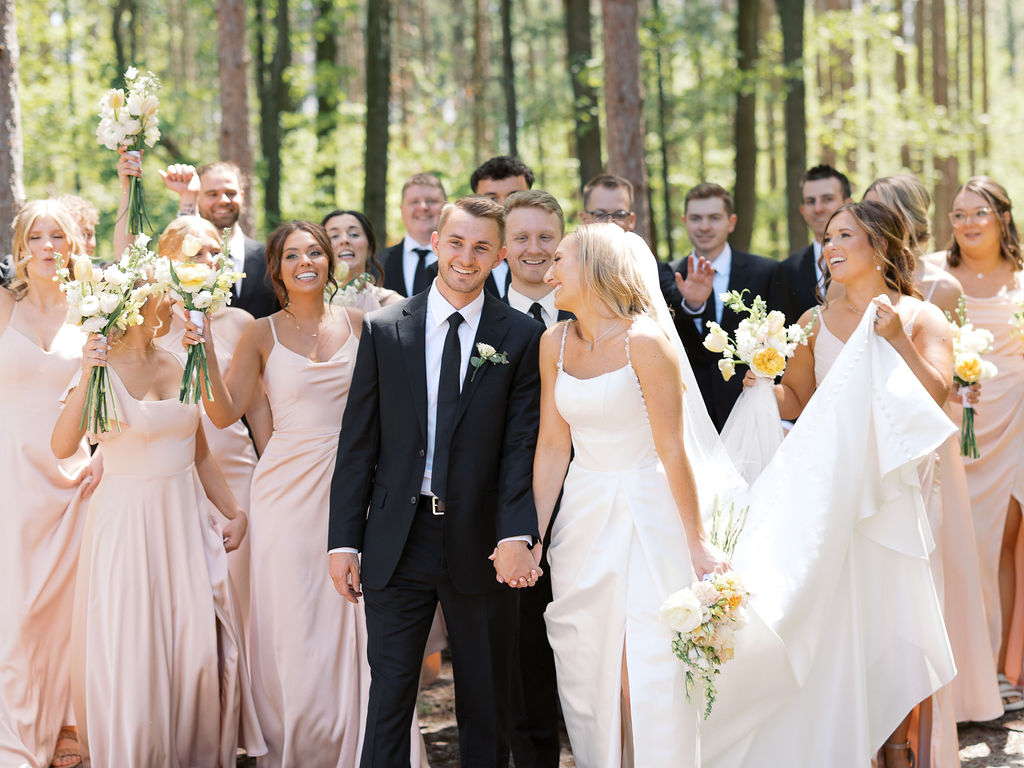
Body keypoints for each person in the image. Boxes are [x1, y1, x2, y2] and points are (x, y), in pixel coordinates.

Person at [182, 220, 432, 766]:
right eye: (292, 255)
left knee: (359, 613)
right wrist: (202, 354)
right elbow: (223, 413)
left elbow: (397, 410)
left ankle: (367, 742)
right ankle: (298, 743)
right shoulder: (259, 333)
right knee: (295, 615)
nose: (305, 262)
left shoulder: (365, 326)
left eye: (315, 252)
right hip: (285, 492)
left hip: (357, 485)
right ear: (276, 268)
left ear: (329, 261)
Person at [328, 196, 544, 767]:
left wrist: (515, 534)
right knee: (390, 696)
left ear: (499, 255)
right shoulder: (385, 329)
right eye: (456, 243)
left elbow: (521, 448)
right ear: (435, 244)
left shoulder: (521, 336)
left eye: (480, 247)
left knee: (486, 700)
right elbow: (358, 443)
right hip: (398, 537)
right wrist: (344, 541)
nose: (466, 258)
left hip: (482, 539)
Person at [756, 201, 954, 768]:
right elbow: (799, 400)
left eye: (845, 235)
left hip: (897, 491)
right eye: (827, 237)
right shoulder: (812, 322)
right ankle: (845, 743)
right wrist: (761, 382)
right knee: (840, 617)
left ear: (881, 246)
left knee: (895, 622)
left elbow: (937, 395)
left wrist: (898, 340)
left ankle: (897, 747)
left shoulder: (920, 317)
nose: (831, 247)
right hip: (831, 493)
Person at [535, 222, 729, 766]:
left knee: (642, 669)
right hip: (582, 514)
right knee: (587, 667)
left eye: (559, 261)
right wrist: (534, 534)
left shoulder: (646, 343)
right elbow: (552, 445)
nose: (548, 274)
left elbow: (673, 449)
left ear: (594, 267)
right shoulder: (553, 343)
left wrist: (697, 543)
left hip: (649, 515)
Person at [52, 272, 263, 767]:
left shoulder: (180, 361)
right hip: (125, 526)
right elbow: (61, 446)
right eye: (166, 294)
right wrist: (86, 372)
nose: (174, 303)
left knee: (192, 647)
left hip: (183, 521)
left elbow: (200, 452)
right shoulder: (100, 369)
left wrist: (234, 511)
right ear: (138, 303)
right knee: (133, 646)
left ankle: (188, 752)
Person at [863, 175, 1002, 754]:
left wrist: (963, 384)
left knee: (934, 558)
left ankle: (939, 700)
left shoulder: (940, 287)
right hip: (873, 437)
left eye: (881, 213)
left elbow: (947, 364)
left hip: (925, 434)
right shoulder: (857, 281)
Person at [0, 200, 99, 768]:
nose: (46, 246)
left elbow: (112, 390)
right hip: (10, 475)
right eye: (35, 237)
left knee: (68, 610)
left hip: (72, 478)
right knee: (17, 608)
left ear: (72, 244)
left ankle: (68, 724)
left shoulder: (92, 310)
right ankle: (15, 738)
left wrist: (105, 455)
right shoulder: (4, 306)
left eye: (56, 236)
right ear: (20, 247)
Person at [936, 177, 1024, 709]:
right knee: (958, 543)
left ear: (1002, 218)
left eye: (979, 213)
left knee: (1002, 544)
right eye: (959, 214)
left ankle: (999, 670)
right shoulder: (937, 275)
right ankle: (957, 670)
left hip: (1014, 424)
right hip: (958, 420)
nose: (968, 223)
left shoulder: (1022, 278)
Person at [501, 189, 569, 768]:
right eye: (521, 237)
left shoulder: (588, 311)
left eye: (546, 237)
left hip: (585, 503)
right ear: (503, 247)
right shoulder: (482, 318)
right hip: (507, 511)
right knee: (521, 653)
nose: (534, 248)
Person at [670, 183, 786, 430]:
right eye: (696, 218)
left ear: (731, 222)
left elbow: (781, 346)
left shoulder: (765, 272)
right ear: (685, 222)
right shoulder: (668, 276)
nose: (704, 226)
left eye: (714, 218)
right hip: (688, 416)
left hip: (749, 413)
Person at [160, 160, 279, 318]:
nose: (223, 200)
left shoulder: (273, 256)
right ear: (198, 198)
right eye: (212, 194)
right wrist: (188, 197)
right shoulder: (178, 261)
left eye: (230, 193)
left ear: (242, 196)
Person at [778, 165, 852, 322]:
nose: (818, 208)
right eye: (811, 201)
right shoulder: (787, 270)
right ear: (802, 210)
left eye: (828, 199)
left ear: (848, 204)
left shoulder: (868, 258)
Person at [466, 156, 536, 299]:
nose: (504, 206)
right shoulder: (453, 267)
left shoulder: (555, 259)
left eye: (515, 196)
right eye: (492, 199)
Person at [379, 173, 447, 297]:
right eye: (414, 201)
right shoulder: (378, 263)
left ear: (445, 208)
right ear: (402, 209)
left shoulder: (463, 260)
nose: (423, 207)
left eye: (431, 201)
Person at [322, 209, 403, 311]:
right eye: (334, 236)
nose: (344, 240)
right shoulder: (310, 301)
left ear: (370, 248)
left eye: (354, 234)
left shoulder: (393, 304)